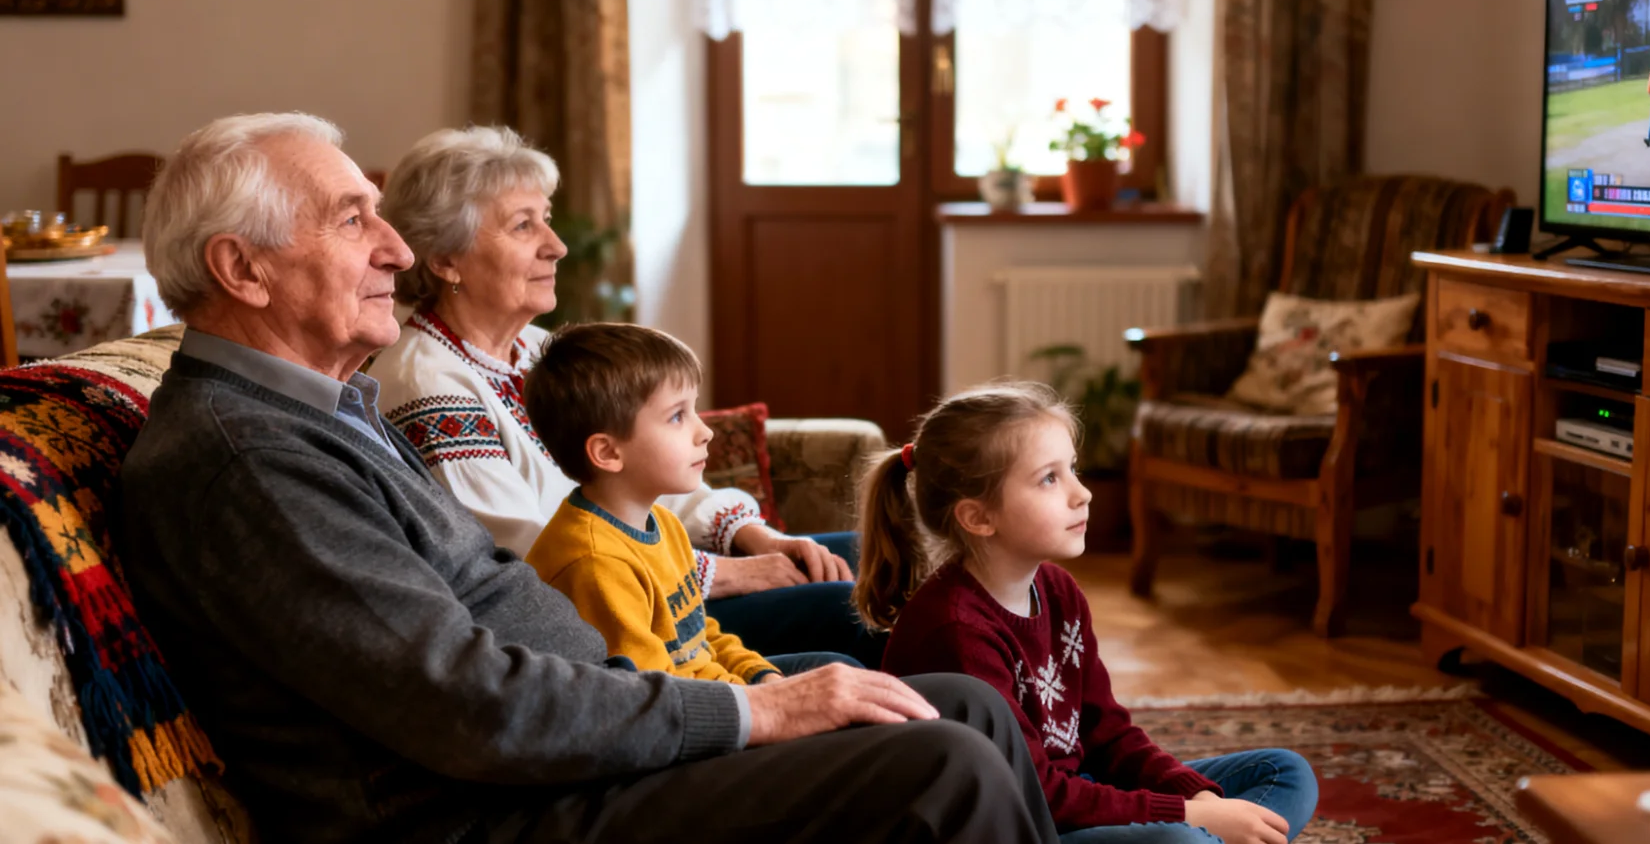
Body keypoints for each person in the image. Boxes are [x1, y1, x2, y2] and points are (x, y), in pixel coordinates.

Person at [116, 113, 1059, 844]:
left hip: (576, 739)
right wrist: (751, 707)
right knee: (942, 762)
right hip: (487, 814)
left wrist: (706, 668)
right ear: (240, 268)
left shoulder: (323, 408)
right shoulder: (249, 460)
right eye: (352, 218)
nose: (395, 249)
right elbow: (470, 705)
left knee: (956, 700)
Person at [365, 126, 880, 665]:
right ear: (446, 258)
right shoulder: (426, 383)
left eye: (547, 218)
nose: (556, 245)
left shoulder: (540, 351)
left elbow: (647, 466)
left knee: (873, 555)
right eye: (523, 226)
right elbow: (527, 552)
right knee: (857, 605)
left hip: (661, 582)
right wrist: (729, 574)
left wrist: (754, 537)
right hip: (614, 617)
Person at [858, 381, 1318, 844]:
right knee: (1181, 840)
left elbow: (1109, 734)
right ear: (978, 517)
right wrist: (1186, 819)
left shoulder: (1059, 591)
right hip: (1028, 822)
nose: (1083, 494)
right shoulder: (955, 630)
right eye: (1049, 479)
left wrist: (1199, 800)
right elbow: (1038, 796)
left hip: (1080, 794)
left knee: (1286, 772)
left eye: (1072, 468)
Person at [522, 321, 858, 681]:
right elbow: (660, 698)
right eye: (677, 416)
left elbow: (700, 637)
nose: (705, 431)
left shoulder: (662, 525)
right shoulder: (594, 564)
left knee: (843, 669)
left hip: (711, 692)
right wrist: (770, 701)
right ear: (607, 451)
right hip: (687, 718)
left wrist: (760, 676)